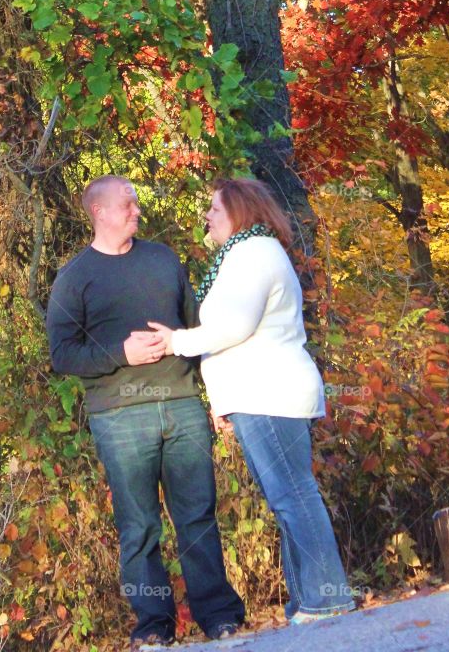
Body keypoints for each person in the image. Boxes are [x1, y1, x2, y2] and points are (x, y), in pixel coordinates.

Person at [144, 178, 356, 625]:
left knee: (293, 495)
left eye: (215, 209)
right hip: (259, 392)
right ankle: (309, 602)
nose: (207, 217)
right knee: (287, 498)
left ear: (240, 211)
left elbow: (234, 326)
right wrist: (223, 401)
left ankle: (327, 600)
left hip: (270, 392)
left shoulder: (254, 254)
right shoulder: (248, 253)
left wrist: (175, 341)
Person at [46, 175, 245, 648]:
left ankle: (219, 618)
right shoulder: (75, 278)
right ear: (98, 211)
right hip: (119, 416)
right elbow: (62, 355)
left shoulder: (163, 259)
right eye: (127, 204)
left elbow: (197, 332)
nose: (137, 211)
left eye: (135, 204)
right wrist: (121, 353)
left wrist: (216, 398)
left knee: (197, 516)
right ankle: (154, 627)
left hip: (181, 407)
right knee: (138, 526)